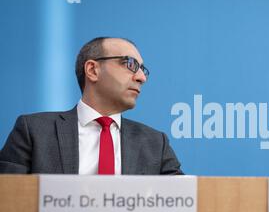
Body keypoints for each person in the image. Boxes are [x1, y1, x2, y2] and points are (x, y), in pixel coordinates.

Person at [0, 37, 183, 175]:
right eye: (130, 64)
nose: (141, 78)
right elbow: (9, 200)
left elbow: (186, 204)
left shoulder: (155, 143)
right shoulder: (34, 131)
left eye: (143, 70)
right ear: (92, 70)